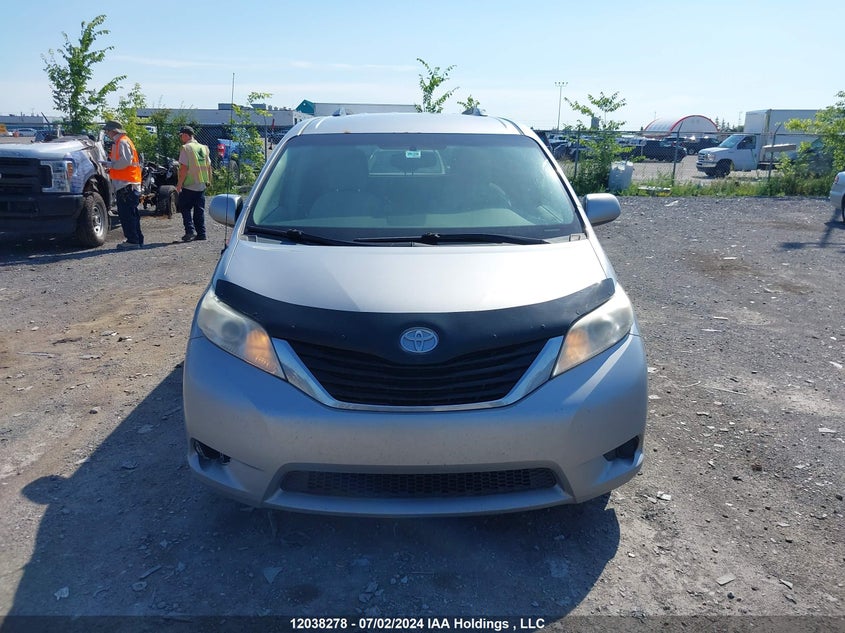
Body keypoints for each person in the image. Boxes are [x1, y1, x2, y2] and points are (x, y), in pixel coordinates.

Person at [104, 120, 143, 249]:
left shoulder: (122, 142)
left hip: (126, 184)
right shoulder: (123, 141)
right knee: (131, 213)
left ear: (113, 131)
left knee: (127, 214)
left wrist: (111, 165)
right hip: (129, 183)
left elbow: (125, 161)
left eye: (107, 131)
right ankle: (137, 239)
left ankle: (133, 240)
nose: (107, 133)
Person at [175, 126, 212, 242]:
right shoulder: (203, 148)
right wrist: (209, 180)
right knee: (199, 210)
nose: (181, 138)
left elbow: (184, 168)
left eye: (181, 135)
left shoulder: (186, 148)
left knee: (184, 207)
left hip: (190, 183)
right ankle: (201, 233)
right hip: (201, 183)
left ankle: (190, 231)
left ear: (185, 135)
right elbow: (208, 165)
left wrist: (179, 185)